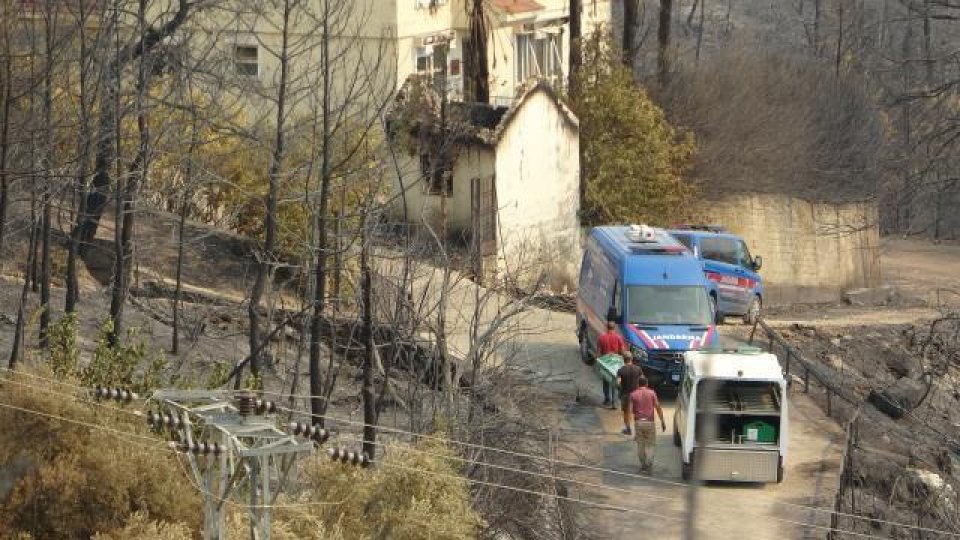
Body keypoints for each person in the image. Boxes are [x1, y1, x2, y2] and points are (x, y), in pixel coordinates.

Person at [630, 376, 666, 474]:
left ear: (638, 384)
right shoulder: (652, 393)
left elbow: (631, 410)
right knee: (650, 445)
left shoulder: (633, 394)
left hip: (638, 422)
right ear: (647, 384)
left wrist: (629, 426)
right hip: (650, 422)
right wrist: (662, 421)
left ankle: (643, 466)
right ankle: (649, 464)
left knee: (640, 445)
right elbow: (658, 407)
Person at [596, 321, 626, 407]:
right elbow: (622, 351)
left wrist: (598, 361)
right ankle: (615, 401)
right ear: (614, 328)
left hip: (606, 362)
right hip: (616, 362)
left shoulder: (601, 338)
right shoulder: (619, 338)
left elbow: (598, 353)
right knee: (616, 382)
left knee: (606, 382)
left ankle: (607, 400)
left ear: (606, 327)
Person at [616, 351, 641, 435]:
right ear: (632, 359)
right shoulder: (638, 369)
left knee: (626, 412)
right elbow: (643, 379)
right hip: (637, 394)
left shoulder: (620, 370)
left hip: (626, 394)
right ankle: (639, 429)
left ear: (623, 360)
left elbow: (618, 383)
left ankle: (628, 429)